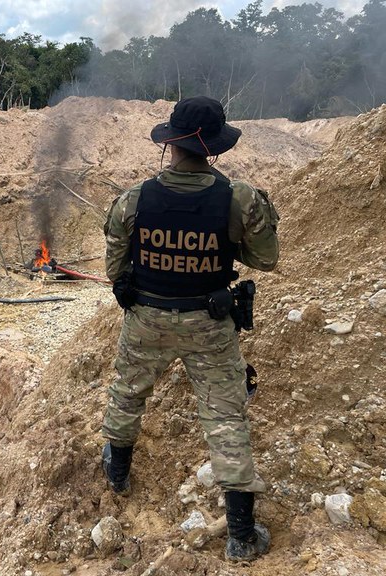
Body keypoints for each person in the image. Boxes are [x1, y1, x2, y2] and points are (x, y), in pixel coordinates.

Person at [101, 96, 279, 562]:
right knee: (225, 419)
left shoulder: (134, 199)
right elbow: (266, 258)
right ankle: (241, 534)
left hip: (146, 319)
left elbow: (114, 269)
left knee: (127, 393)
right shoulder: (238, 198)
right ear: (214, 148)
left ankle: (117, 473)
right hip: (210, 322)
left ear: (171, 144)